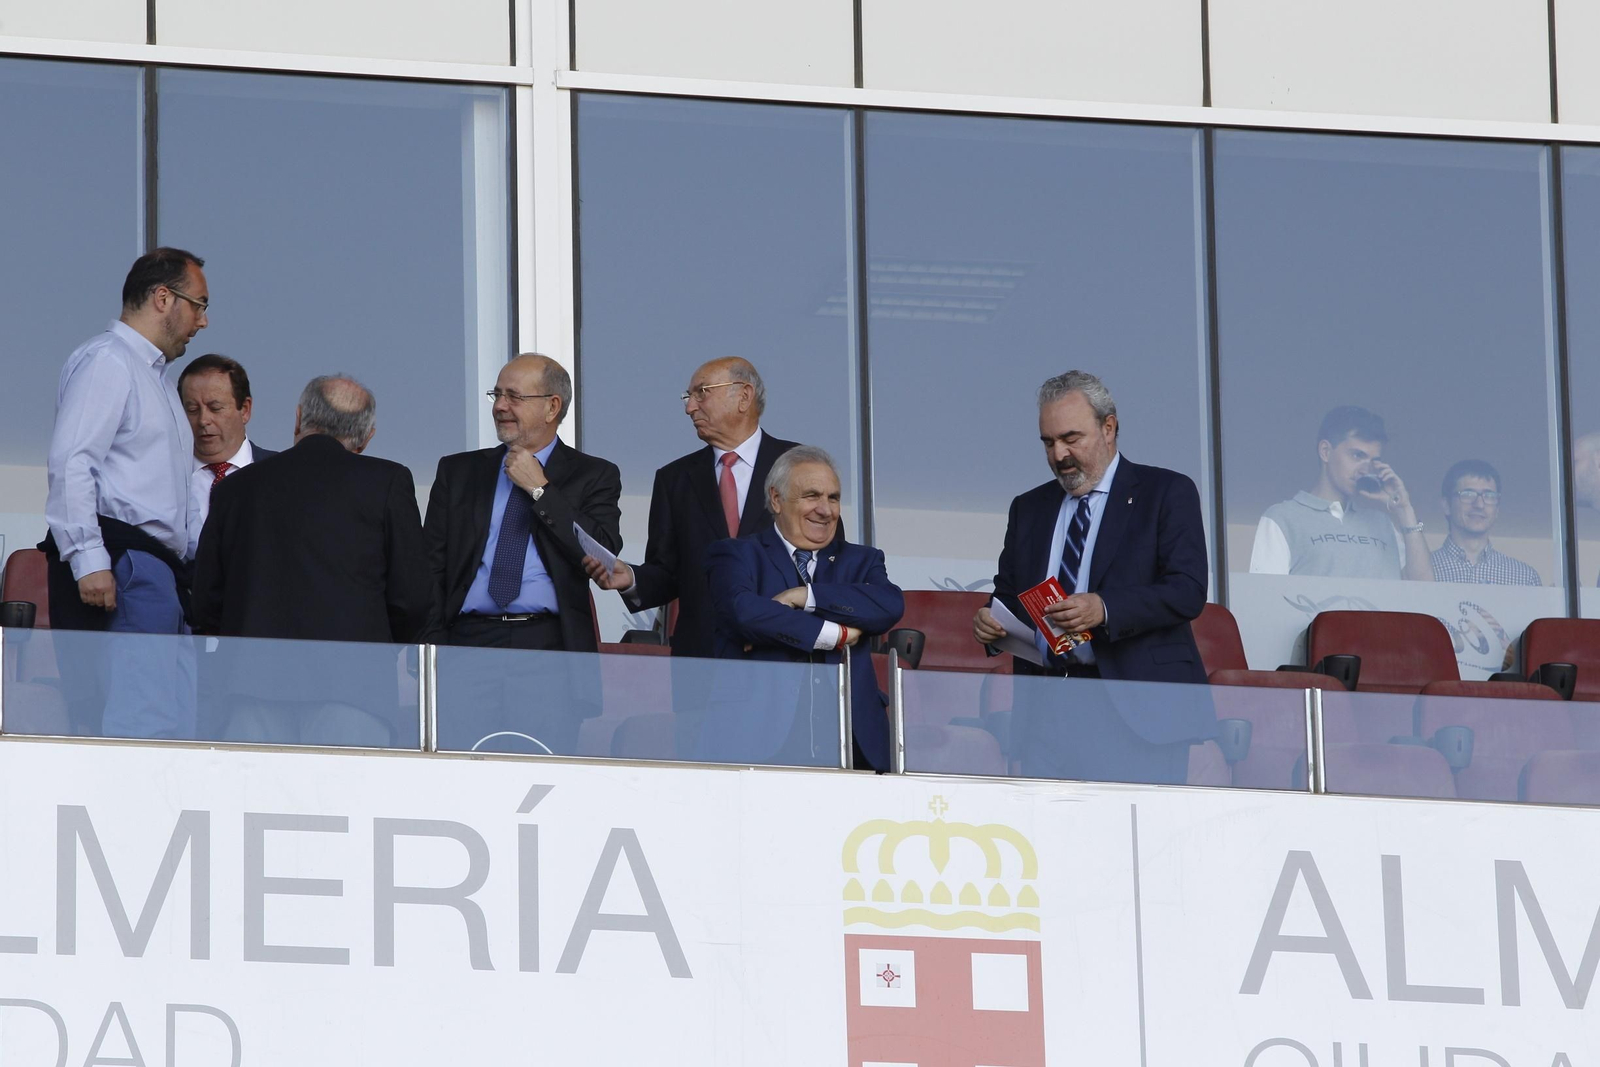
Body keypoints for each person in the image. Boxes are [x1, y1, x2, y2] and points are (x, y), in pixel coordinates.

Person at [971, 371, 1214, 785]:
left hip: (1138, 711)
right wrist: (990, 624)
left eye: (1071, 438)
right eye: (1048, 442)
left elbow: (1187, 590)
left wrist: (1103, 608)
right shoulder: (1028, 508)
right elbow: (1010, 595)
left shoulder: (1165, 492)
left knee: (1136, 842)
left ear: (1109, 428)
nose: (1059, 454)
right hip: (1046, 713)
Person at [190, 375, 429, 745]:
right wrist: (371, 650)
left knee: (255, 800)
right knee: (344, 801)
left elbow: (205, 601)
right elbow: (412, 601)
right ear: (366, 438)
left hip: (250, 689)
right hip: (353, 690)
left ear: (299, 419)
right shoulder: (387, 482)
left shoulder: (237, 489)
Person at [41, 247, 209, 737]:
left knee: (170, 728)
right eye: (197, 304)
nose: (203, 321)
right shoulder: (109, 361)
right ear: (163, 298)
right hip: (129, 566)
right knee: (140, 724)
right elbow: (73, 460)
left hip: (157, 571)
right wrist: (88, 558)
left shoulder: (154, 379)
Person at [422, 354, 621, 755]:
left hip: (547, 651)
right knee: (457, 777)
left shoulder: (595, 474)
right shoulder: (458, 472)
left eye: (514, 396)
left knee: (540, 779)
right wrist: (433, 651)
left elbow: (601, 550)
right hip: (467, 649)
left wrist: (541, 490)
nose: (499, 406)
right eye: (497, 394)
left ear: (552, 406)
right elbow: (430, 568)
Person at [703, 445, 903, 770]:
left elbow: (889, 605)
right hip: (756, 745)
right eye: (812, 496)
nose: (825, 510)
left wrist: (803, 597)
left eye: (833, 498)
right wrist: (836, 634)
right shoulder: (736, 555)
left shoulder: (862, 560)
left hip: (854, 748)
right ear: (777, 499)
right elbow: (744, 611)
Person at [583, 357, 798, 657]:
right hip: (700, 662)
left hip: (785, 656)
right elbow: (667, 573)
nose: (689, 407)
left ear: (744, 396)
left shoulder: (800, 467)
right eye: (689, 397)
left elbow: (829, 564)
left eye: (702, 393)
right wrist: (630, 578)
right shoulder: (675, 479)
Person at [1249, 405, 1432, 581]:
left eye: (1373, 461)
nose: (1365, 469)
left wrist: (1404, 510)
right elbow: (1265, 599)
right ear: (1326, 452)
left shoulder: (1383, 524)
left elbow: (1423, 592)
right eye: (1357, 456)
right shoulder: (1282, 518)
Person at [178, 353, 277, 560]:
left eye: (215, 408)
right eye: (192, 410)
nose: (203, 420)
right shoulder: (163, 478)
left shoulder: (282, 474)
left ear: (245, 410)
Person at [1428, 460, 1541, 585]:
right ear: (1446, 506)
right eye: (1468, 494)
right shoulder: (1421, 571)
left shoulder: (1525, 578)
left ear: (1497, 509)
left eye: (1489, 496)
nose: (1479, 504)